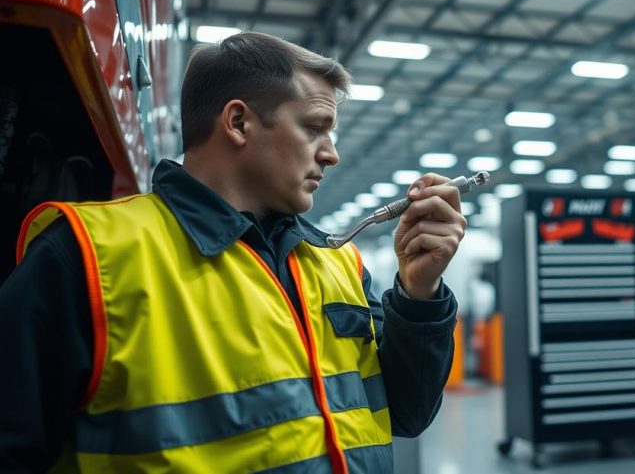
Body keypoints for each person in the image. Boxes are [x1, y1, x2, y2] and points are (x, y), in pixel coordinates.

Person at [0, 32, 464, 473]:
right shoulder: (89, 258)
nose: (331, 154)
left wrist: (419, 293)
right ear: (238, 122)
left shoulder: (336, 261)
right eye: (315, 129)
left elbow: (406, 413)